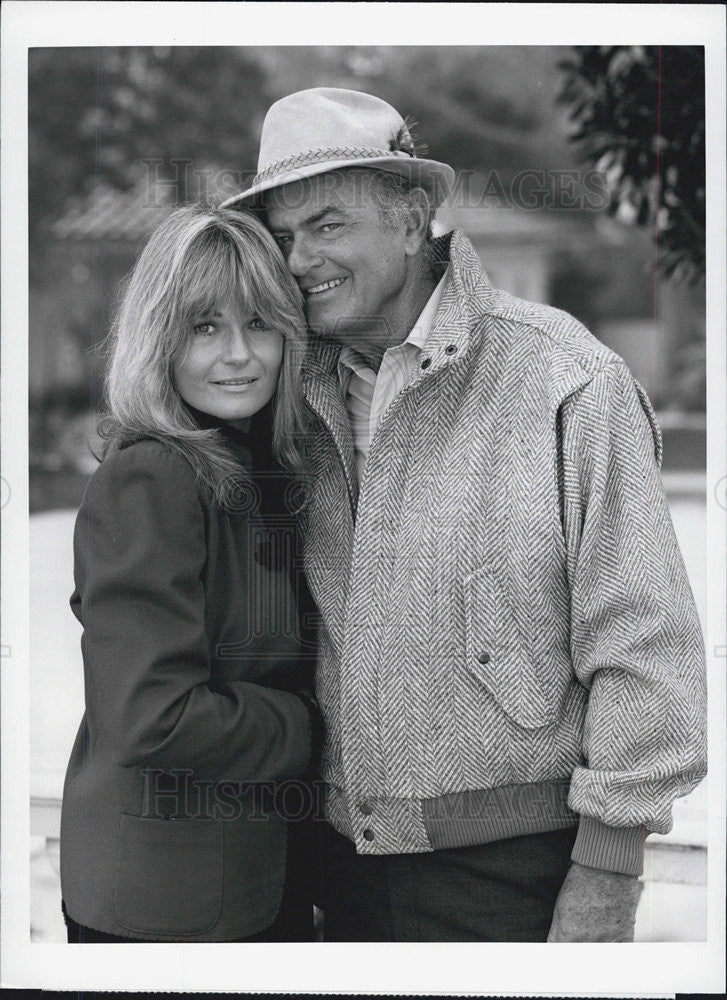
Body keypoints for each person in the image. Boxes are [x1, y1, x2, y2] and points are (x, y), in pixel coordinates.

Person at [220, 88, 708, 942]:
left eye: (328, 225)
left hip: (515, 878)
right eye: (283, 236)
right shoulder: (283, 388)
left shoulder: (566, 381)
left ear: (412, 220)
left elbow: (645, 649)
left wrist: (605, 876)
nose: (298, 261)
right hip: (321, 864)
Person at [60, 205, 321, 942]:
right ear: (160, 340)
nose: (239, 355)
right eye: (204, 327)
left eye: (260, 324)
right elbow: (153, 716)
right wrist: (313, 723)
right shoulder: (152, 478)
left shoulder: (259, 465)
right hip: (163, 900)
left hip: (253, 875)